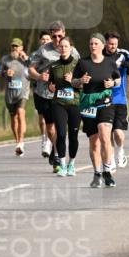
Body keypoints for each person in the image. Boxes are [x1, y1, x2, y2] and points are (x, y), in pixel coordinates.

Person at [30, 21, 80, 172]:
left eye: (60, 36)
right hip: (45, 93)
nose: (57, 39)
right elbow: (30, 69)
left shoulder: (72, 50)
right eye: (54, 36)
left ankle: (58, 155)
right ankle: (55, 149)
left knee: (62, 128)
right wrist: (39, 76)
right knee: (51, 128)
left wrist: (75, 78)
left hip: (65, 95)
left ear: (64, 34)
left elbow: (80, 69)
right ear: (50, 35)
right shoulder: (43, 50)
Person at [75, 34, 121, 188]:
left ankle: (107, 171)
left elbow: (118, 79)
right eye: (91, 43)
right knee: (94, 143)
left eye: (95, 43)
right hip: (88, 104)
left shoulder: (110, 62)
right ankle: (97, 173)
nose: (93, 46)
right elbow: (73, 82)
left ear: (102, 45)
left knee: (105, 135)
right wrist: (80, 81)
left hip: (105, 103)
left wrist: (112, 83)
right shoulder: (83, 63)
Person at [47, 36, 82, 177]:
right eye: (61, 46)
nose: (63, 48)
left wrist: (73, 80)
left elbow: (84, 84)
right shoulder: (54, 65)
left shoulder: (78, 64)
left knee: (73, 136)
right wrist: (50, 87)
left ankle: (71, 164)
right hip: (59, 103)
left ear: (71, 48)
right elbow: (50, 84)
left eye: (66, 46)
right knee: (61, 134)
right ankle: (62, 164)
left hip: (75, 103)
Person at [104, 32, 129, 168]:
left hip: (120, 99)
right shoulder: (100, 55)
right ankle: (111, 159)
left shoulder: (122, 53)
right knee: (107, 132)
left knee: (118, 132)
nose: (113, 46)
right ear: (106, 43)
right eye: (111, 44)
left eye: (115, 44)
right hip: (104, 99)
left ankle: (121, 151)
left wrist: (123, 63)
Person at [0, 38, 30, 156]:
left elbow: (34, 69)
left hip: (23, 93)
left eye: (17, 46)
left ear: (21, 48)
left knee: (20, 113)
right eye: (13, 46)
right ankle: (17, 141)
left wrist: (27, 59)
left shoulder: (26, 60)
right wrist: (5, 73)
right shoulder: (5, 59)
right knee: (13, 118)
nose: (14, 48)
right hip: (10, 94)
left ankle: (21, 142)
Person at [32, 31, 53, 157]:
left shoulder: (56, 53)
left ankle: (49, 142)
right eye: (43, 39)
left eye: (47, 39)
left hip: (52, 91)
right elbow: (27, 72)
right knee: (42, 118)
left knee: (51, 120)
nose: (45, 41)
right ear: (40, 41)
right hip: (38, 89)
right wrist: (38, 76)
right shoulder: (36, 54)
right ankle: (44, 138)